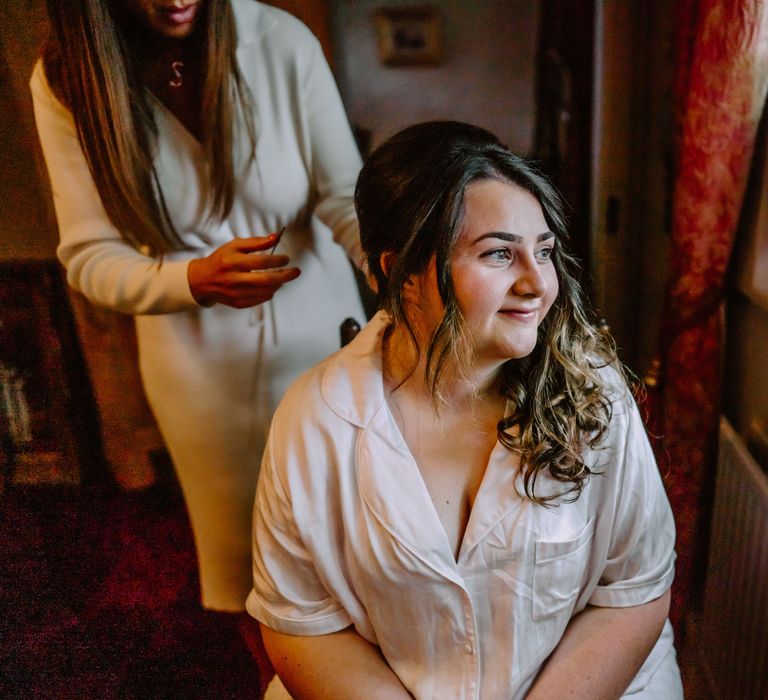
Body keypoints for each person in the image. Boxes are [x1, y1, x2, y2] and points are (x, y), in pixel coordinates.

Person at [246, 121, 683, 698]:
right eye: (499, 253)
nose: (537, 284)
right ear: (397, 271)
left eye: (544, 252)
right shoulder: (313, 421)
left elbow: (634, 590)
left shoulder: (595, 394)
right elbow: (303, 625)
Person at [30, 0, 365, 616]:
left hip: (328, 342)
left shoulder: (282, 40)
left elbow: (344, 193)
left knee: (356, 549)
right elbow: (88, 256)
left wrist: (390, 259)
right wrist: (191, 281)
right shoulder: (65, 80)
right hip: (199, 374)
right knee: (251, 580)